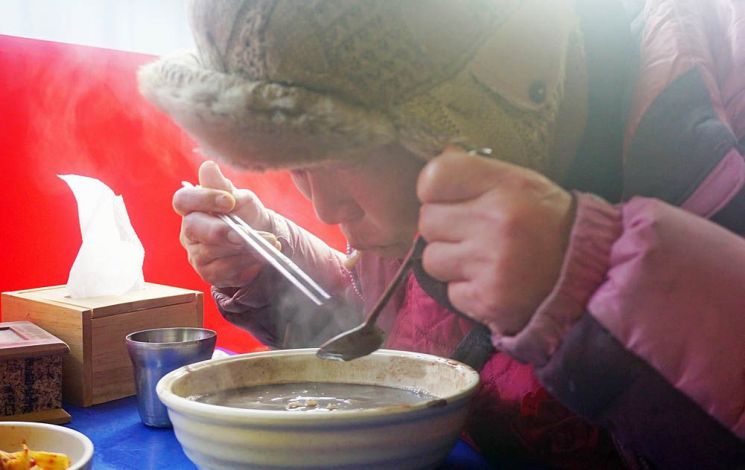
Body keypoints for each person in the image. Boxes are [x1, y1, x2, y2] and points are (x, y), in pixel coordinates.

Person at [138, 0, 745, 468]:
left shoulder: (711, 125)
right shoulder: (427, 170)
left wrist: (586, 282)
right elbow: (395, 340)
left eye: (344, 151)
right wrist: (268, 258)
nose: (323, 203)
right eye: (296, 163)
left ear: (478, 108)